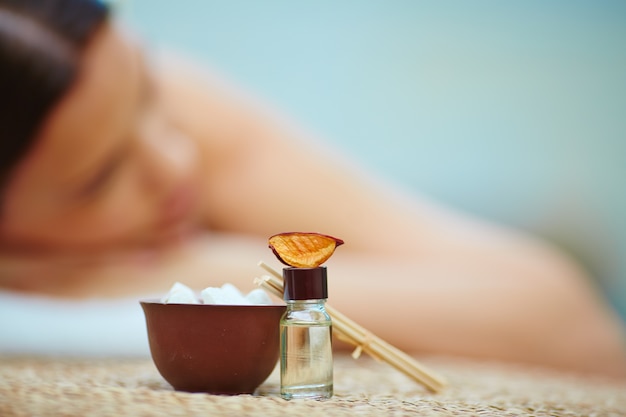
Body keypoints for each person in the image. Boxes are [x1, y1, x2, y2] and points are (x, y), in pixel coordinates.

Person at [0, 0, 625, 378]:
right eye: (100, 180)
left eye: (150, 94)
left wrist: (209, 271)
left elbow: (580, 333)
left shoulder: (174, 107)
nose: (173, 159)